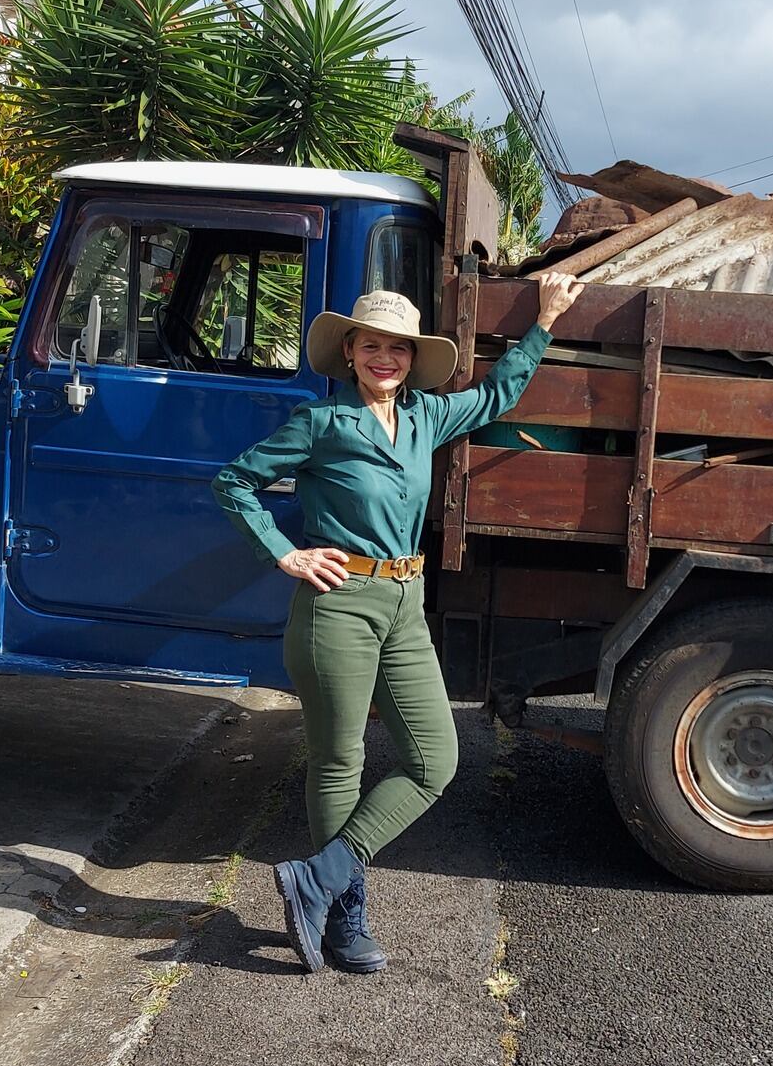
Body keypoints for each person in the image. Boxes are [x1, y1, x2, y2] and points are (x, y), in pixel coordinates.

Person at [212, 272, 584, 974]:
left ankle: (317, 877)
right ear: (349, 350)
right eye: (373, 345)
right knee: (339, 759)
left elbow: (499, 394)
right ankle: (344, 915)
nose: (387, 358)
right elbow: (233, 481)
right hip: (338, 603)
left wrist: (545, 320)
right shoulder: (322, 424)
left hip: (405, 602)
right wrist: (286, 553)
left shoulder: (425, 418)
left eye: (400, 348)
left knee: (434, 759)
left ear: (414, 359)